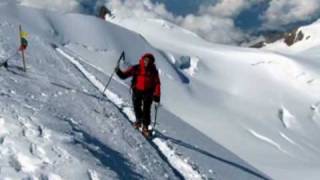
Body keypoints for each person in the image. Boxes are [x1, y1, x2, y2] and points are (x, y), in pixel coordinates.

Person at [116, 53, 161, 137]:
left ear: (151, 62)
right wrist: (118, 72)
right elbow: (125, 75)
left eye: (149, 61)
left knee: (146, 109)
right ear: (143, 59)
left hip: (149, 92)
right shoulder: (136, 68)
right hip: (137, 90)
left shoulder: (154, 71)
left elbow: (157, 83)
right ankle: (139, 120)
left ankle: (145, 126)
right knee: (137, 106)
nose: (147, 62)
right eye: (146, 60)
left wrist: (157, 95)